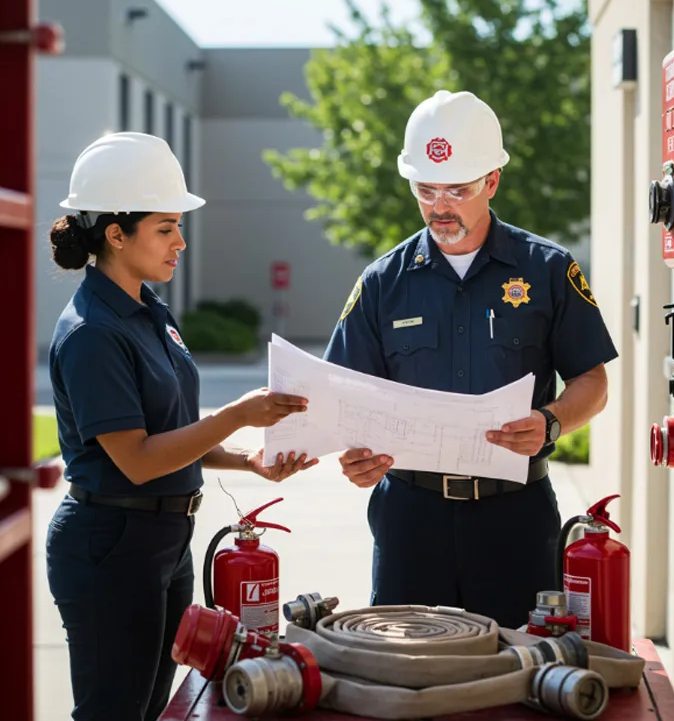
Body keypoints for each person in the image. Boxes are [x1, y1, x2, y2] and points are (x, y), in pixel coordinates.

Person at [45, 132, 316, 721]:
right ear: (117, 233)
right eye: (165, 227)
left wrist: (247, 459)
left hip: (163, 542)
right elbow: (137, 459)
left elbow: (170, 430)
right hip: (110, 544)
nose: (180, 241)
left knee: (154, 709)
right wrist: (237, 415)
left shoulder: (148, 310)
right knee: (114, 711)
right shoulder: (93, 332)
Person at [324, 90, 617, 628]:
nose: (440, 207)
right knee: (409, 675)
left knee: (519, 676)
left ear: (492, 182)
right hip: (411, 517)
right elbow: (341, 394)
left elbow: (592, 381)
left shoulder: (547, 270)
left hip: (516, 516)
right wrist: (354, 452)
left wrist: (550, 422)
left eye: (457, 190)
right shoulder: (382, 284)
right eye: (426, 190)